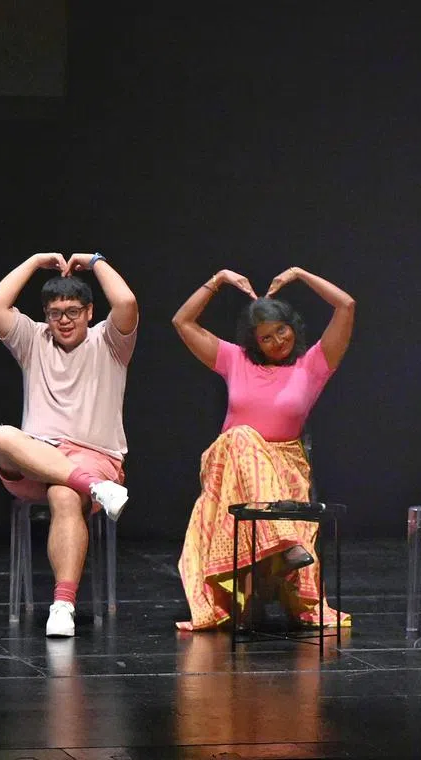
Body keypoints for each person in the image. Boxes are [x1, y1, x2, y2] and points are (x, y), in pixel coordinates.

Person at [173, 266, 354, 630]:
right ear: (254, 342)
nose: (276, 342)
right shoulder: (234, 359)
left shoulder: (314, 363)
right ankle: (285, 545)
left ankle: (256, 582)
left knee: (244, 618)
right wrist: (218, 279)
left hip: (286, 466)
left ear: (293, 327)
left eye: (281, 331)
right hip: (228, 463)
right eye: (266, 338)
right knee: (242, 437)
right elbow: (183, 322)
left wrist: (302, 276)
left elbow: (346, 305)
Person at [0, 251, 138, 638]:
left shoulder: (110, 342)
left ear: (89, 312)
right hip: (37, 459)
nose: (64, 320)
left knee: (65, 496)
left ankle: (63, 605)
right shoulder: (33, 339)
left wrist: (97, 260)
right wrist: (35, 262)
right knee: (2, 436)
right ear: (45, 316)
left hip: (95, 456)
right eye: (55, 313)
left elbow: (126, 302)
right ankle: (95, 489)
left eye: (72, 311)